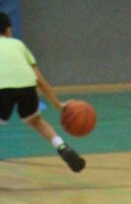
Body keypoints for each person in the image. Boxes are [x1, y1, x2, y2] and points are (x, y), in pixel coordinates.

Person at [0, 12, 85, 172]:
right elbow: (39, 79)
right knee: (36, 121)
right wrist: (56, 103)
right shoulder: (19, 45)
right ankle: (61, 146)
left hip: (2, 88)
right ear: (8, 29)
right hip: (27, 85)